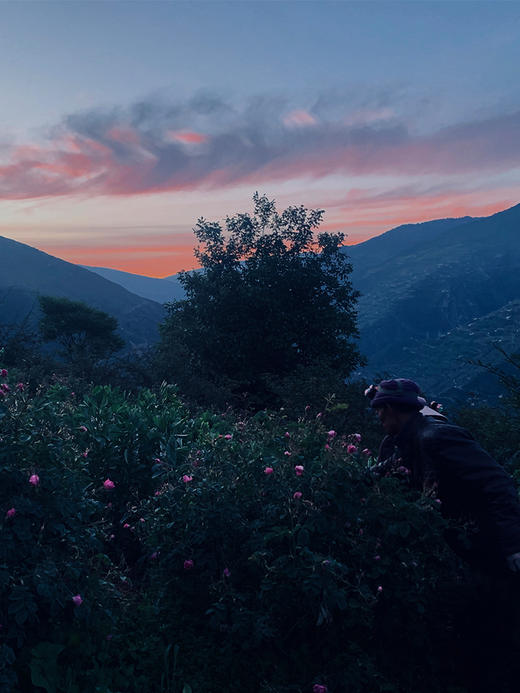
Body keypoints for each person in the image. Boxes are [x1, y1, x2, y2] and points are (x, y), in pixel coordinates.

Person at [367, 378, 520, 692]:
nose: (378, 418)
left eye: (380, 411)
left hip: (489, 545)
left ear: (393, 410)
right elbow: (384, 472)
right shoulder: (403, 439)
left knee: (500, 629)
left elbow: (498, 484)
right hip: (465, 548)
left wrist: (514, 544)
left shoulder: (437, 437)